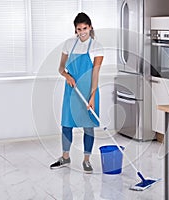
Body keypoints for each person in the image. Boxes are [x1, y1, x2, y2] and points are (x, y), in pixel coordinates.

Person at [50, 12, 104, 174]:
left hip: (88, 91)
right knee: (66, 125)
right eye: (79, 29)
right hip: (71, 90)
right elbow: (60, 68)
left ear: (90, 27)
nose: (82, 32)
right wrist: (66, 75)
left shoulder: (96, 46)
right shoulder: (68, 44)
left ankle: (86, 160)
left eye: (85, 28)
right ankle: (65, 157)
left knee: (88, 127)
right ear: (75, 30)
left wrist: (93, 95)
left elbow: (95, 73)